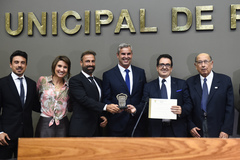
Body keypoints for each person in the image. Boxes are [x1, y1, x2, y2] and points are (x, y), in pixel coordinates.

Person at [139, 54, 192, 137]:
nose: (164, 67)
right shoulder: (148, 86)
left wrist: (182, 110)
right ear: (157, 67)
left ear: (171, 68)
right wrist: (134, 109)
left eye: (167, 65)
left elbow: (189, 104)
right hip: (155, 130)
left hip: (177, 130)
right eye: (161, 65)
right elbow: (144, 106)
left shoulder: (181, 84)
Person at [68, 50, 119, 137]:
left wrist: (103, 116)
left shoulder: (98, 81)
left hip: (97, 128)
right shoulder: (75, 80)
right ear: (81, 63)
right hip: (80, 129)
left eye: (93, 61)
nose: (90, 64)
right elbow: (84, 99)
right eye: (87, 61)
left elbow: (98, 101)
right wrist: (106, 107)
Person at [0, 50, 40, 159]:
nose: (19, 65)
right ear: (10, 64)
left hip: (26, 135)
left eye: (22, 62)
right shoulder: (2, 83)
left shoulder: (32, 84)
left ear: (26, 65)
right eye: (16, 62)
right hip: (6, 136)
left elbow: (36, 106)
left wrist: (55, 100)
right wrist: (0, 132)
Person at [102, 43, 146, 137]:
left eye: (128, 54)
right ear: (118, 55)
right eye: (123, 54)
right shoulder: (108, 75)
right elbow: (106, 99)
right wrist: (112, 108)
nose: (126, 57)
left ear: (132, 55)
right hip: (116, 123)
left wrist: (136, 110)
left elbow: (144, 97)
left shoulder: (140, 73)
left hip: (137, 123)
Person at [186, 53, 234, 138]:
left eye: (206, 62)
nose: (203, 65)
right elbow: (187, 106)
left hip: (219, 130)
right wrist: (190, 125)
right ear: (195, 65)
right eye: (200, 62)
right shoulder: (189, 82)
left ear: (211, 63)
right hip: (197, 130)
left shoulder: (225, 81)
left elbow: (230, 107)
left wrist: (226, 129)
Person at [35, 56, 71, 137]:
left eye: (65, 67)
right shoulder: (43, 80)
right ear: (54, 66)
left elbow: (70, 105)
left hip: (63, 124)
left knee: (62, 149)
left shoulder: (69, 86)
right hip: (44, 123)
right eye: (59, 66)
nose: (62, 70)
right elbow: (35, 99)